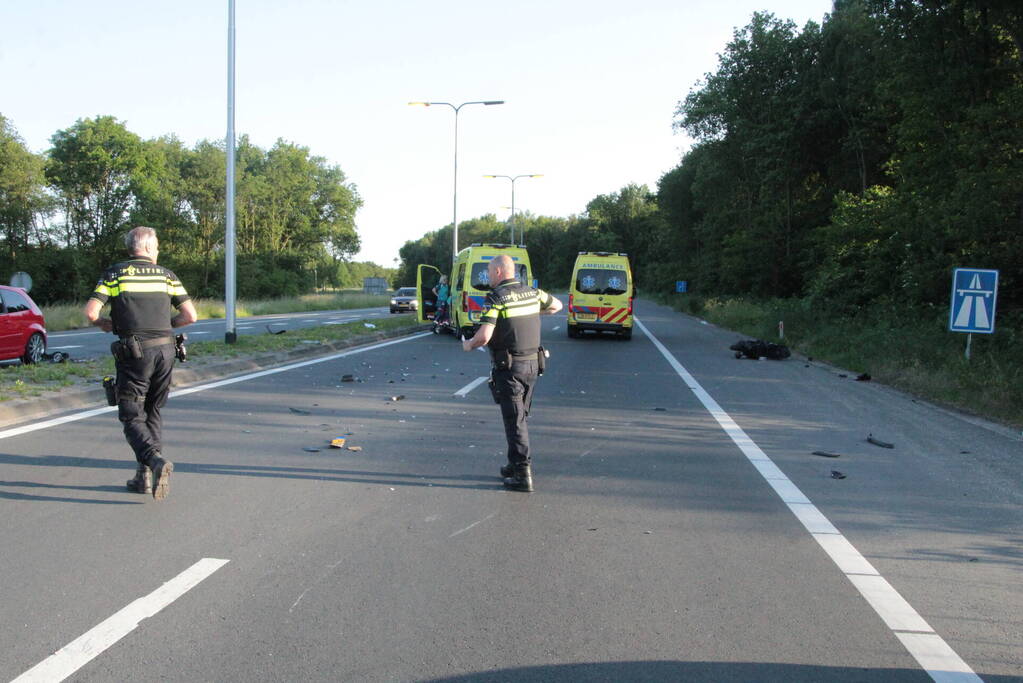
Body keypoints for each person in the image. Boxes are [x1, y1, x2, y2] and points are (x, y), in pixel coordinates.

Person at [83, 226, 197, 501]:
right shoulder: (167, 276)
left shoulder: (115, 274)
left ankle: (154, 462)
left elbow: (91, 311)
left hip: (135, 352)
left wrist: (103, 324)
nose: (157, 251)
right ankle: (143, 477)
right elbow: (190, 316)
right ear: (146, 248)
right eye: (156, 246)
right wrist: (164, 326)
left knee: (131, 414)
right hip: (166, 350)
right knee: (153, 410)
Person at [462, 255, 562, 491]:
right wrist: (533, 314)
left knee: (514, 420)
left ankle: (522, 473)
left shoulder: (496, 298)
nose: (488, 276)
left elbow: (484, 336)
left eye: (488, 272)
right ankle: (512, 462)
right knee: (520, 417)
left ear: (498, 272)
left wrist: (468, 345)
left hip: (510, 368)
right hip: (533, 366)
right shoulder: (533, 293)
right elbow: (557, 305)